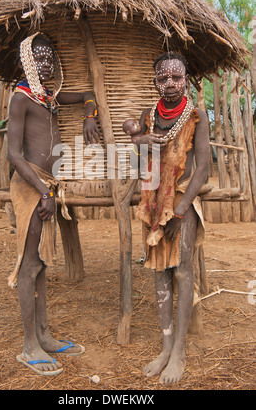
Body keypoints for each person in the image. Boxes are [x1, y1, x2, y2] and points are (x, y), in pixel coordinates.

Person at [7, 32, 100, 376]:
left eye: (50, 58)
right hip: (30, 185)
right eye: (39, 58)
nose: (46, 63)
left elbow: (89, 95)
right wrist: (43, 193)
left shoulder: (49, 98)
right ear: (26, 63)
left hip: (47, 187)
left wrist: (90, 115)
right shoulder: (21, 98)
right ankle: (29, 345)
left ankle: (44, 336)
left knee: (41, 263)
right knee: (29, 265)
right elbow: (13, 155)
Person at [132, 51, 209, 385]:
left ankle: (178, 352)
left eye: (176, 77)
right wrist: (139, 141)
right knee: (160, 272)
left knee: (182, 272)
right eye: (163, 78)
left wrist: (179, 211)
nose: (170, 84)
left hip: (182, 203)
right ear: (155, 82)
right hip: (152, 201)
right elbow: (141, 159)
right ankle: (165, 348)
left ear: (186, 79)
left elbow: (203, 168)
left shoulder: (196, 116)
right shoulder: (148, 116)